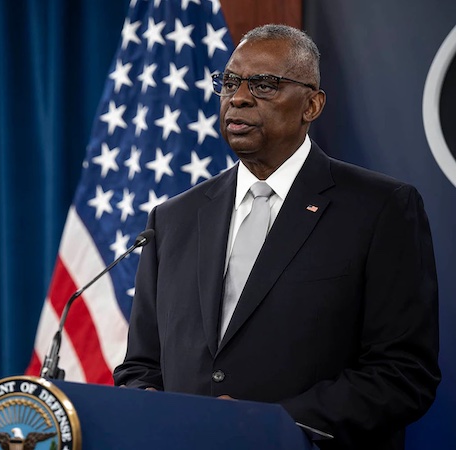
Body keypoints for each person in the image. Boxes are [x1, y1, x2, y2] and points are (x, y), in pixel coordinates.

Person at [113, 24, 440, 450]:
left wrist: (272, 423)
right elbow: (141, 364)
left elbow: (403, 373)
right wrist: (152, 407)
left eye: (265, 85)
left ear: (312, 105)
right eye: (229, 82)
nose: (239, 97)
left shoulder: (381, 208)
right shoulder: (173, 218)